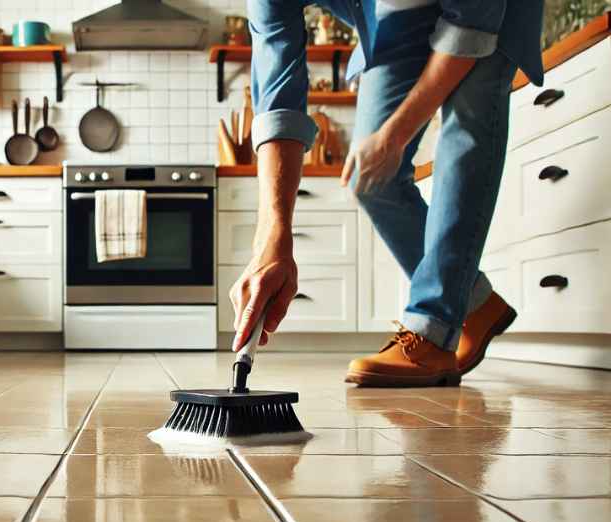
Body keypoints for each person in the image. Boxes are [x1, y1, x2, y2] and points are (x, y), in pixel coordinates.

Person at [231, 1, 544, 387]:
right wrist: (272, 237)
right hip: (392, 15)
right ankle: (476, 305)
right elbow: (278, 93)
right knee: (371, 176)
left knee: (467, 124)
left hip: (486, 12)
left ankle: (434, 326)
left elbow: (473, 23)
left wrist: (394, 136)